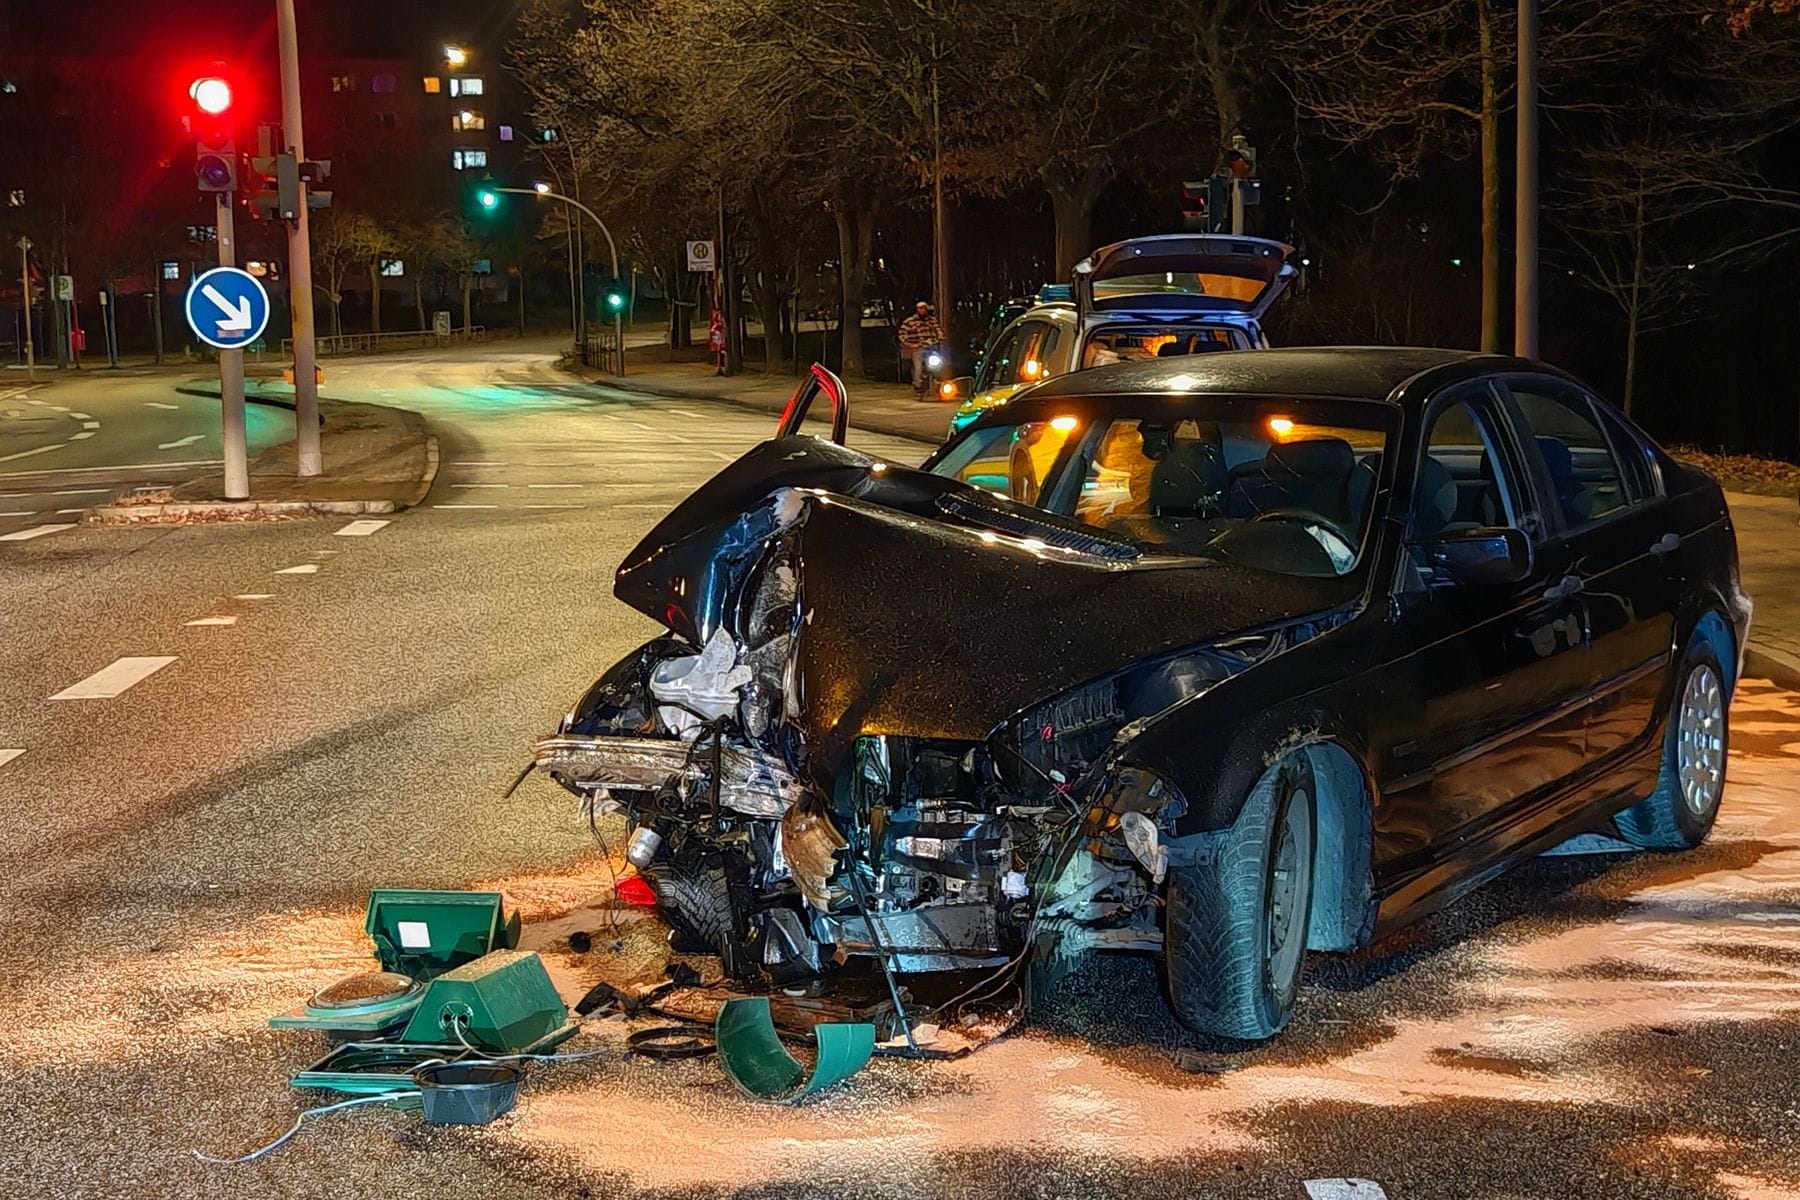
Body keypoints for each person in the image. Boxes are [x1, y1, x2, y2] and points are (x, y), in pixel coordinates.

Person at [898, 300, 946, 399]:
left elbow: (939, 330)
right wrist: (911, 344)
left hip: (932, 348)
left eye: (923, 308)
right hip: (918, 349)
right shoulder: (910, 321)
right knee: (918, 367)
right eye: (919, 308)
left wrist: (940, 338)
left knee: (941, 364)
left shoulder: (932, 321)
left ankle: (938, 384)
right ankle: (918, 387)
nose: (922, 310)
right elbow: (902, 334)